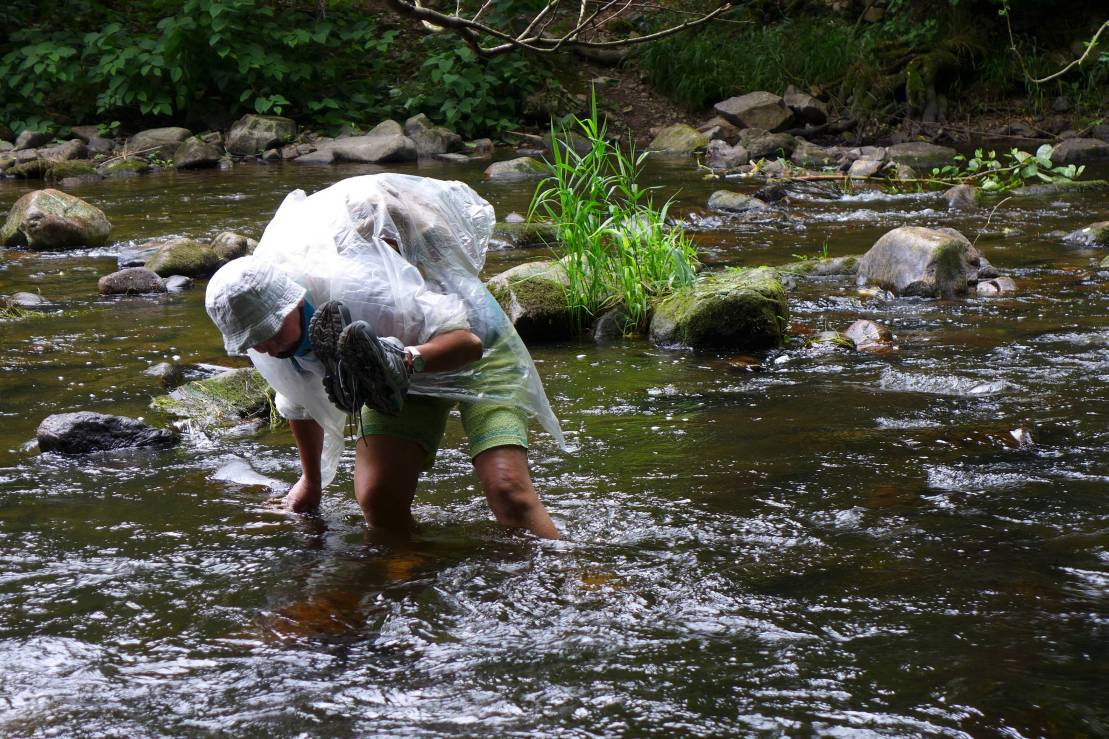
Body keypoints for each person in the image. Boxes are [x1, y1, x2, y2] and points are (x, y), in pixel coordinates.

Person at [204, 174, 563, 539]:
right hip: (386, 370)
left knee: (507, 491)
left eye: (269, 332)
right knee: (378, 500)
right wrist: (311, 483)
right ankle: (410, 575)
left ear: (294, 303)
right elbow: (297, 400)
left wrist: (404, 360)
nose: (263, 347)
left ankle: (573, 574)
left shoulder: (366, 295)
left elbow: (468, 344)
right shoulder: (268, 343)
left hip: (470, 343)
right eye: (252, 340)